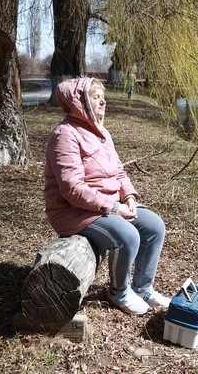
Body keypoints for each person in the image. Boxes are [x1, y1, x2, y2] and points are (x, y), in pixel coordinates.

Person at [44, 77, 170, 316]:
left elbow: (119, 172)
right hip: (72, 211)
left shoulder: (102, 133)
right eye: (95, 97)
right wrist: (114, 207)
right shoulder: (65, 134)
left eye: (103, 97)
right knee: (128, 236)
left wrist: (129, 196)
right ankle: (118, 291)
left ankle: (143, 288)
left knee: (154, 226)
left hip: (107, 204)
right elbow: (72, 188)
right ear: (80, 102)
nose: (102, 102)